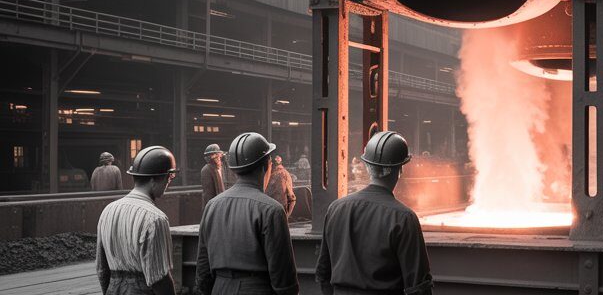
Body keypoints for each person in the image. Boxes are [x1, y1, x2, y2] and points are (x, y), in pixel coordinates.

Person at [316, 131, 432, 295]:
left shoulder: (336, 208)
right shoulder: (404, 218)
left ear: (367, 167)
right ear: (400, 170)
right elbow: (418, 286)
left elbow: (323, 272)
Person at [195, 132, 299, 295]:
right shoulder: (272, 210)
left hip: (220, 287)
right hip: (257, 289)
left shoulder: (212, 206)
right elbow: (284, 278)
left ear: (234, 169)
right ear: (266, 165)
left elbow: (203, 269)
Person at [95, 146, 178, 295]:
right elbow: (160, 279)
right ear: (153, 179)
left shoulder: (107, 211)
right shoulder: (155, 219)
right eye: (169, 177)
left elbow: (102, 269)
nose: (168, 182)